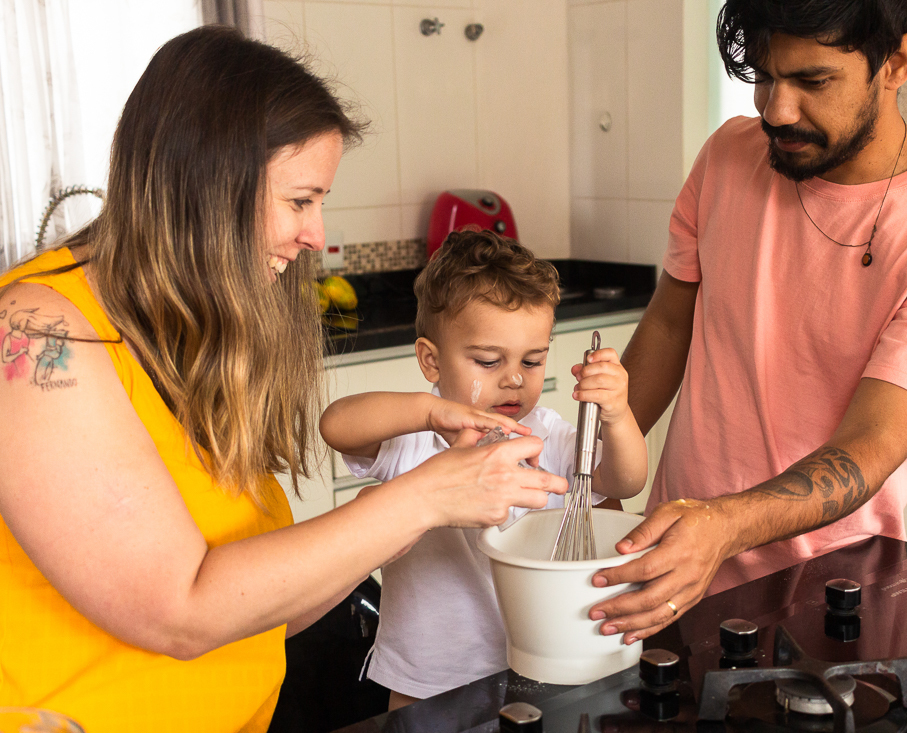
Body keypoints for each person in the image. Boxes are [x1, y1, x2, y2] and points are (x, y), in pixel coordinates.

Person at [0, 27, 566, 733]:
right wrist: (422, 497)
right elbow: (179, 611)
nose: (315, 235)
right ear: (208, 185)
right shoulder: (38, 335)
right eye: (300, 201)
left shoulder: (193, 328)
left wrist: (409, 512)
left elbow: (258, 603)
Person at [587, 0, 907, 645]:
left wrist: (723, 525)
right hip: (675, 563)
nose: (777, 110)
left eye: (812, 81)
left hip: (833, 590)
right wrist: (589, 479)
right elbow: (671, 327)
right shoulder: (727, 156)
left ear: (896, 62)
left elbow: (870, 446)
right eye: (763, 77)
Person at [319, 228, 648, 709]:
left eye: (532, 361)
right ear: (431, 361)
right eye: (489, 361)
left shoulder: (547, 435)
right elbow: (336, 425)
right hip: (427, 675)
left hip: (536, 665)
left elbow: (626, 480)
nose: (514, 378)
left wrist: (617, 414)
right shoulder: (416, 438)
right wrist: (430, 411)